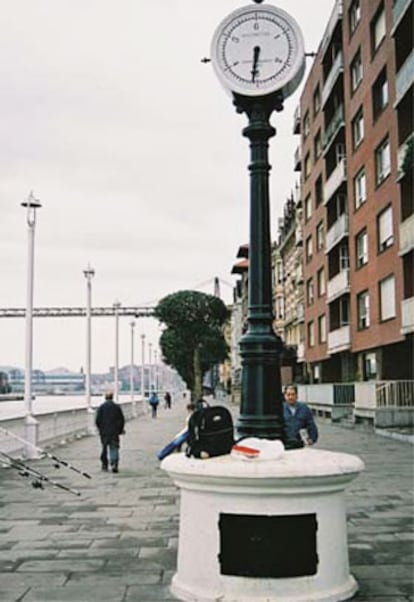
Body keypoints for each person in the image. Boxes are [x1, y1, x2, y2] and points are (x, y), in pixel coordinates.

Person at [95, 391, 125, 473]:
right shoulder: (116, 407)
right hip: (114, 431)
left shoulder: (101, 407)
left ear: (105, 397)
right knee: (114, 447)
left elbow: (97, 420)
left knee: (104, 448)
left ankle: (104, 464)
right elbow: (121, 419)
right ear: (112, 397)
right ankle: (114, 463)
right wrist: (120, 429)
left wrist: (100, 428)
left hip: (104, 432)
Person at [283, 384, 318, 449]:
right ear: (285, 396)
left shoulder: (304, 408)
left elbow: (311, 424)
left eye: (293, 394)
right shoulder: (280, 409)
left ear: (297, 395)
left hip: (300, 443)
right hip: (285, 443)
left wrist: (312, 438)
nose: (290, 397)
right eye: (288, 395)